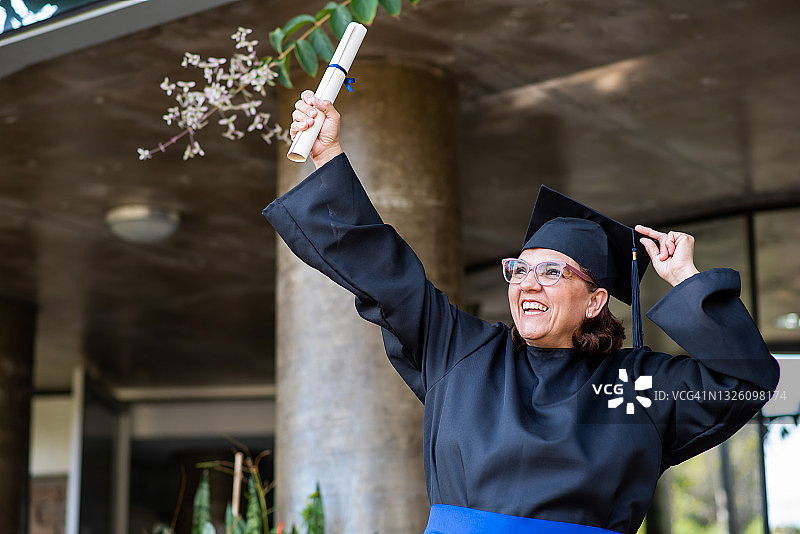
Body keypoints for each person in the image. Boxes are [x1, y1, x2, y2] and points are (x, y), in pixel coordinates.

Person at [263, 91, 780, 534]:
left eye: (553, 272)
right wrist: (327, 155)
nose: (528, 283)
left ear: (595, 300)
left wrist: (687, 280)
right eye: (520, 269)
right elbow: (386, 273)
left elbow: (745, 381)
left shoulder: (633, 386)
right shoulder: (463, 352)